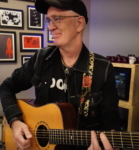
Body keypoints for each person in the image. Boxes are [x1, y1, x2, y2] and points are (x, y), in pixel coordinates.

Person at [0, 0, 120, 149]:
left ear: (79, 23)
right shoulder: (41, 59)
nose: (50, 26)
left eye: (57, 19)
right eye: (48, 20)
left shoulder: (103, 68)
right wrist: (15, 121)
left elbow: (111, 119)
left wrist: (108, 143)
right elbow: (6, 87)